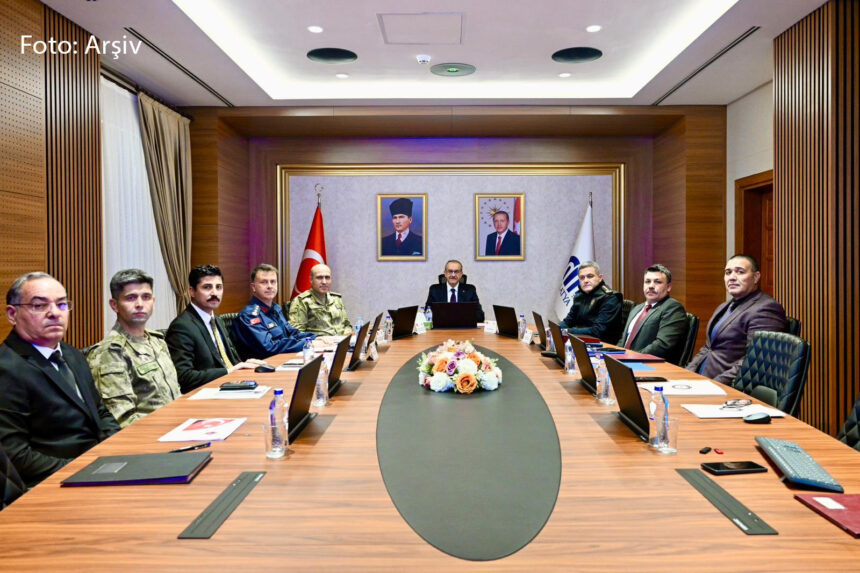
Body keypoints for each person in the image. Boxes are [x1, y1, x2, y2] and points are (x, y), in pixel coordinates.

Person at [0, 272, 120, 487]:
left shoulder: (71, 353)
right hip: (55, 482)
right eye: (39, 306)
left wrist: (120, 449)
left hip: (100, 468)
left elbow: (100, 412)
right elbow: (15, 455)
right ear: (12, 314)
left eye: (62, 304)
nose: (55, 313)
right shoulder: (6, 368)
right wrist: (84, 469)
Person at [86, 269, 181, 427]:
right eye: (131, 298)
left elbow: (175, 396)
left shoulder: (158, 341)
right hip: (149, 435)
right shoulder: (111, 352)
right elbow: (122, 419)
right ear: (114, 305)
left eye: (146, 297)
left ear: (153, 301)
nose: (140, 304)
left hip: (178, 426)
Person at [687, 254, 787, 384]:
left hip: (727, 387)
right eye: (728, 272)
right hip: (700, 382)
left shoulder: (766, 309)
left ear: (756, 277)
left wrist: (714, 384)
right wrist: (685, 375)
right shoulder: (724, 306)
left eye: (740, 272)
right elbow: (707, 348)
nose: (732, 277)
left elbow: (754, 361)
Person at [166, 265, 265, 394]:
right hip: (205, 394)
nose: (214, 293)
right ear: (192, 291)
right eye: (207, 287)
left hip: (231, 385)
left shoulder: (216, 320)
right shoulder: (182, 327)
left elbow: (227, 360)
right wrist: (228, 371)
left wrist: (244, 364)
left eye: (218, 287)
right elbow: (184, 377)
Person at [233, 264, 318, 359]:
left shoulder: (276, 308)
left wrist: (315, 338)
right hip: (265, 365)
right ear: (253, 287)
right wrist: (308, 343)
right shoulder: (250, 316)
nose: (269, 286)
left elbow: (292, 333)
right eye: (264, 282)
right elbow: (270, 348)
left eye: (273, 282)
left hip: (285, 359)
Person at [618, 264, 688, 364]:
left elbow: (662, 345)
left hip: (649, 366)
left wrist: (630, 358)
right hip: (625, 363)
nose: (651, 286)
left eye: (657, 282)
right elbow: (623, 340)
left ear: (668, 287)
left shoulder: (672, 308)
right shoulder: (636, 309)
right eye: (647, 281)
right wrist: (613, 357)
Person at [559, 261, 623, 342]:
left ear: (600, 278)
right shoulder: (579, 296)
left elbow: (597, 331)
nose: (585, 280)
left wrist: (566, 331)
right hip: (579, 341)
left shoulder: (611, 298)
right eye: (582, 278)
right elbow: (568, 321)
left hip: (603, 345)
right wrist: (554, 329)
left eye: (590, 276)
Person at [288, 264, 353, 336]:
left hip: (342, 341)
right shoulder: (301, 301)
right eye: (319, 278)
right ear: (311, 280)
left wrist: (347, 335)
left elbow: (346, 324)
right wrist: (316, 339)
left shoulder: (336, 299)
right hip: (319, 342)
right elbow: (297, 334)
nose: (324, 282)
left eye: (327, 278)